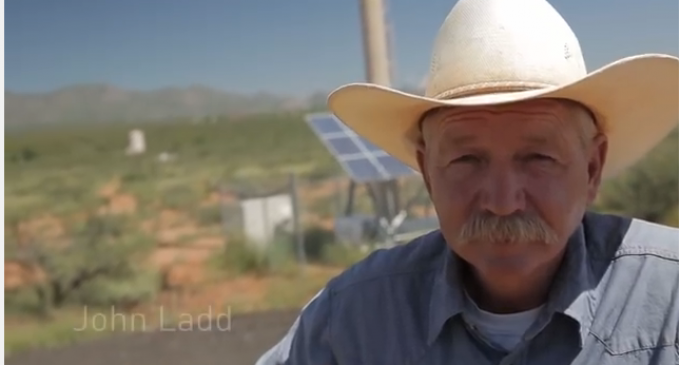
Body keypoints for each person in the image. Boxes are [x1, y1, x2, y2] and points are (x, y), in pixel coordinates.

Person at [255, 0, 679, 363]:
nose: (502, 201)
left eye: (538, 158)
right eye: (466, 160)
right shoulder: (350, 322)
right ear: (426, 172)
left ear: (592, 167)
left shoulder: (669, 300)